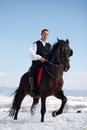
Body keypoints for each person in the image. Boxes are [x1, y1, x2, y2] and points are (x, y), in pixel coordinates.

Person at [29, 29, 51, 97]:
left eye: (47, 34)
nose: (45, 35)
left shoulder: (49, 45)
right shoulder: (36, 43)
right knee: (32, 72)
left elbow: (51, 55)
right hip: (37, 63)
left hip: (46, 64)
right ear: (41, 34)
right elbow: (31, 54)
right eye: (44, 34)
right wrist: (40, 58)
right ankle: (33, 90)